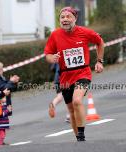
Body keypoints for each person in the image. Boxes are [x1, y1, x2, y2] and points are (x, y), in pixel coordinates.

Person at [44, 7, 104, 141]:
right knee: (71, 110)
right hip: (65, 76)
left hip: (83, 72)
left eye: (68, 16)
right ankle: (79, 139)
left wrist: (99, 61)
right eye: (62, 17)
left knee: (77, 101)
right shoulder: (55, 35)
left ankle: (81, 134)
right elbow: (47, 54)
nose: (65, 19)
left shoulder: (84, 32)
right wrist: (51, 58)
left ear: (75, 18)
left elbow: (99, 42)